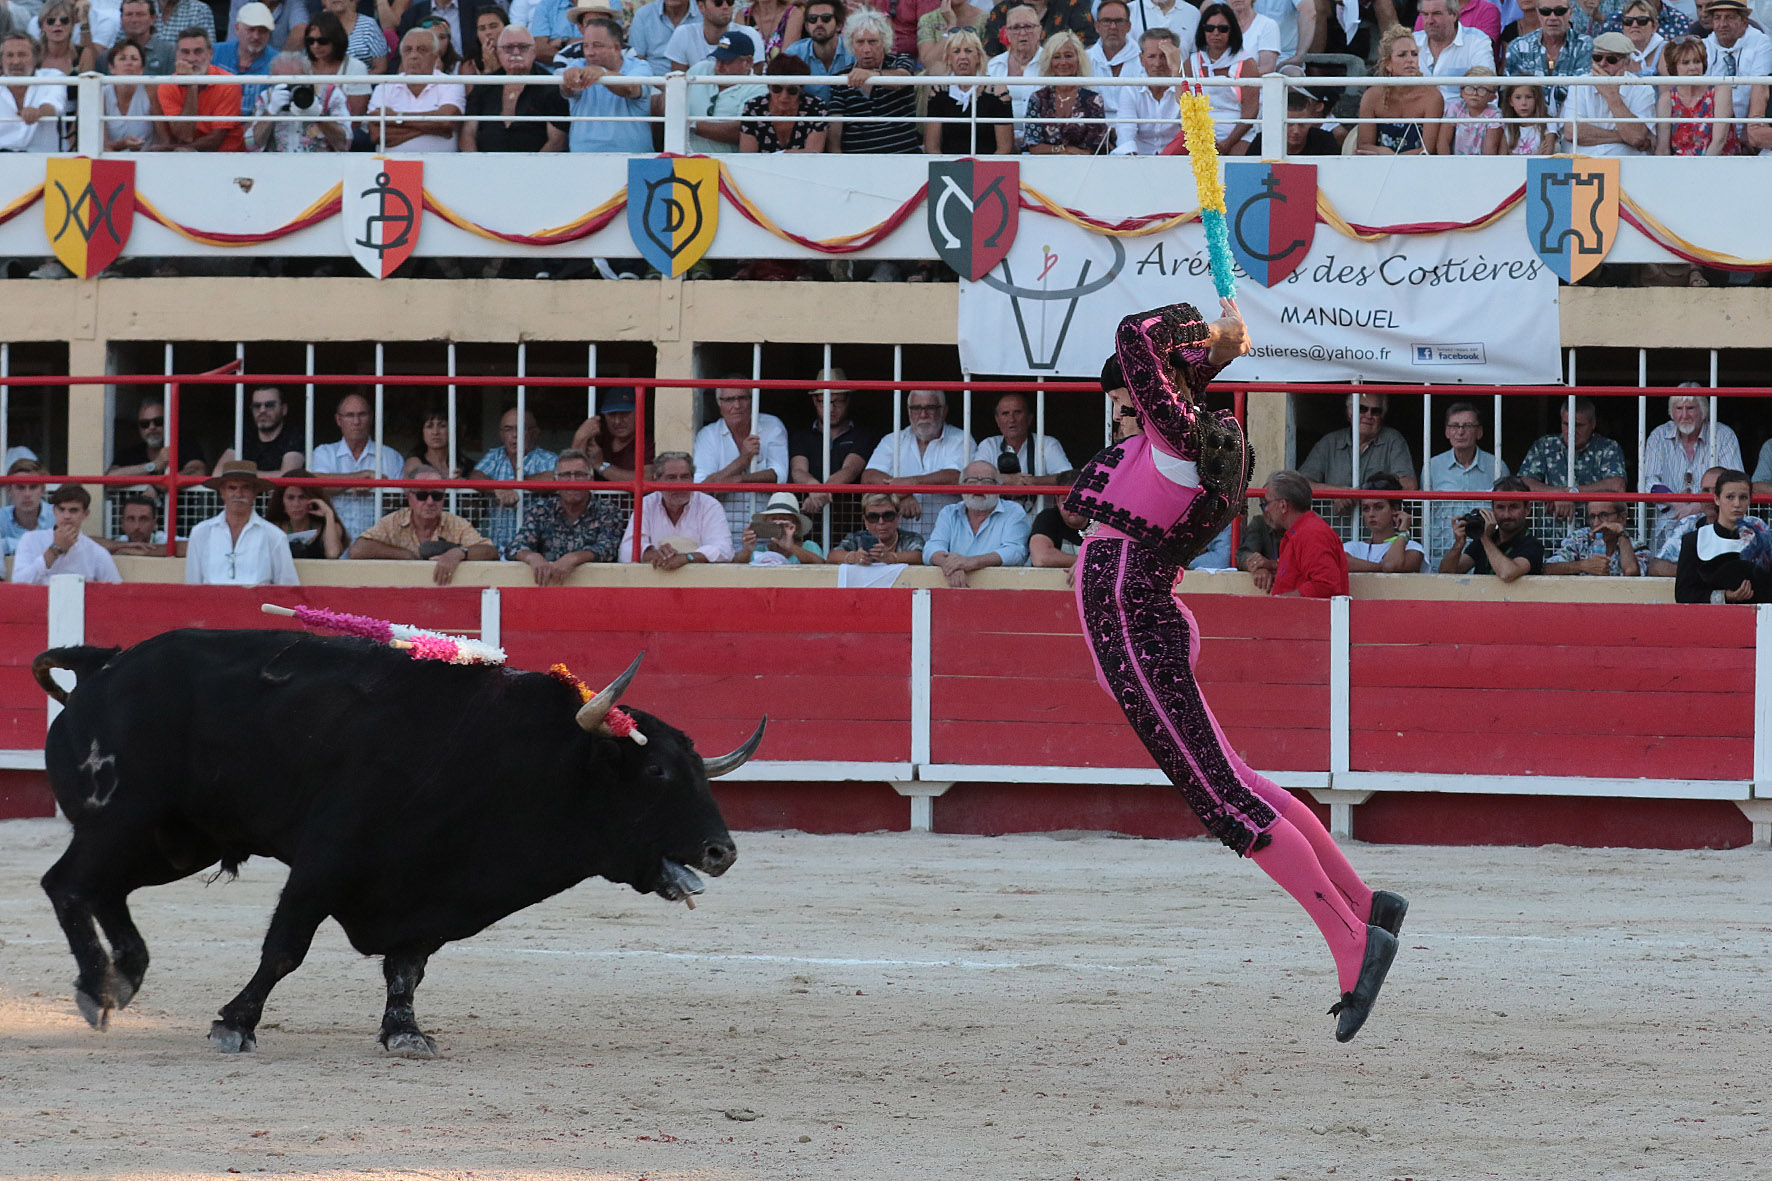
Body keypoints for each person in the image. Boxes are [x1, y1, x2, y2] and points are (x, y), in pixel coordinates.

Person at [1064, 299, 1401, 1043]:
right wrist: (1221, 342)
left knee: (1223, 797)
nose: (1123, 403)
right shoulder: (1190, 440)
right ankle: (1365, 902)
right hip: (1142, 621)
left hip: (1136, 625)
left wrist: (1208, 331)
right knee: (1237, 778)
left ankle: (1353, 942)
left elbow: (1136, 336)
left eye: (1130, 394)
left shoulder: (1182, 441)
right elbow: (1159, 369)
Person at [349, 467, 498, 584]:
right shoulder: (394, 520)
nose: (430, 502)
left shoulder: (455, 523)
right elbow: (357, 550)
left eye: (437, 495)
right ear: (409, 497)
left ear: (444, 497)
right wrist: (405, 556)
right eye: (422, 496)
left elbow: (490, 552)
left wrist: (459, 553)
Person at [1298, 392, 1418, 531]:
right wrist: (1335, 492)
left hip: (1379, 539)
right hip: (1334, 535)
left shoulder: (1393, 440)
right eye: (1362, 409)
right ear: (1350, 412)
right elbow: (1300, 484)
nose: (1368, 415)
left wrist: (1355, 495)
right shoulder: (1329, 442)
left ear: (1382, 416)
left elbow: (1409, 485)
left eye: (1376, 411)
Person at [1641, 391, 1742, 552]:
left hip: (1712, 523)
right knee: (1661, 568)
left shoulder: (1723, 435)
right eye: (1679, 408)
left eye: (1690, 408)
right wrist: (1679, 503)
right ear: (1671, 413)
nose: (1684, 415)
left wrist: (1694, 507)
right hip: (1668, 524)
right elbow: (1648, 481)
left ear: (1704, 412)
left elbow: (1735, 483)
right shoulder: (1659, 435)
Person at [508, 449, 626, 583]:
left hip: (596, 590)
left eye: (579, 474)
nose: (572, 481)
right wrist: (532, 557)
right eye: (565, 475)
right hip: (546, 590)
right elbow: (515, 546)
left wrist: (574, 558)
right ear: (555, 481)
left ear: (591, 480)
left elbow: (608, 549)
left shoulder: (608, 510)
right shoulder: (541, 510)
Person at [861, 389, 974, 525]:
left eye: (930, 408)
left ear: (944, 411)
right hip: (900, 536)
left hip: (949, 533)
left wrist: (913, 483)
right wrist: (903, 494)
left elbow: (959, 477)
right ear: (908, 412)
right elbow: (869, 477)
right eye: (916, 408)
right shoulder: (893, 440)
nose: (923, 414)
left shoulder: (961, 439)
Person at [693, 382, 790, 536]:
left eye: (742, 398)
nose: (737, 405)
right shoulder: (708, 435)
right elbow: (701, 488)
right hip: (721, 529)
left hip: (766, 528)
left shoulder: (772, 426)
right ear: (719, 404)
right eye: (729, 399)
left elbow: (779, 475)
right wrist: (742, 461)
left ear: (752, 400)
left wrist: (738, 480)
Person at [184, 462, 301, 586]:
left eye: (245, 488)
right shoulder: (200, 532)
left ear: (255, 493)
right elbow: (192, 585)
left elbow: (288, 587)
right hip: (211, 603)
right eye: (232, 488)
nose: (238, 494)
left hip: (256, 604)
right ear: (222, 492)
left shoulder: (274, 536)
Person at [309, 392, 405, 542]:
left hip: (377, 541)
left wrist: (380, 487)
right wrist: (358, 478)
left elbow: (400, 502)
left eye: (362, 415)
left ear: (371, 418)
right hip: (332, 540)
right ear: (338, 420)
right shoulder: (324, 452)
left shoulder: (390, 456)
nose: (356, 421)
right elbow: (314, 484)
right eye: (349, 415)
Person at [1424, 401, 1509, 565]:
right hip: (1441, 553)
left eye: (1468, 426)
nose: (1460, 432)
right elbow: (1424, 514)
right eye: (1455, 426)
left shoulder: (1497, 466)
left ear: (1479, 432)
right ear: (1447, 432)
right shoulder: (1432, 466)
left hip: (1484, 554)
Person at [1517, 397, 1627, 523]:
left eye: (1578, 425)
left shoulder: (1608, 447)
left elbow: (1617, 485)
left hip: (1596, 534)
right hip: (1548, 535)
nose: (1571, 431)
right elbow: (1522, 483)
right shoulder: (1545, 445)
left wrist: (1573, 493)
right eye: (1566, 424)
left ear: (1593, 424)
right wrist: (1558, 494)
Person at [789, 372, 876, 529]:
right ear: (815, 401)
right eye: (825, 402)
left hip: (850, 520)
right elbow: (798, 470)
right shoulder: (801, 436)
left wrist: (819, 493)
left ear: (848, 400)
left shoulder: (862, 435)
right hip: (808, 519)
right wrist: (815, 489)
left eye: (837, 402)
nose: (831, 408)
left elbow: (850, 469)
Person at [825, 8, 919, 154]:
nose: (866, 49)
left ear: (884, 42)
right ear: (851, 45)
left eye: (873, 41)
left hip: (902, 158)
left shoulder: (900, 61)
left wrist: (870, 75)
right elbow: (835, 130)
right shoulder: (842, 77)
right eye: (860, 42)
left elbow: (902, 79)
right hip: (857, 163)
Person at [619, 450, 735, 567]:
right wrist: (655, 554)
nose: (679, 484)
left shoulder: (709, 505)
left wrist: (687, 557)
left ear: (693, 479)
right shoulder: (646, 504)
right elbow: (626, 551)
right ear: (657, 480)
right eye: (671, 478)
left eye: (685, 477)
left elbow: (724, 550)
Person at [462, 23, 569, 151]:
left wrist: (529, 169)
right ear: (498, 52)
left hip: (536, 167)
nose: (516, 52)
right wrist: (476, 166)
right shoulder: (484, 85)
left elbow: (557, 141)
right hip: (484, 166)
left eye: (523, 47)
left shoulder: (550, 86)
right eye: (508, 48)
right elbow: (468, 132)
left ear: (534, 51)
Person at [925, 461, 1032, 586]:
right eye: (972, 481)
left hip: (1001, 588)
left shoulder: (1014, 511)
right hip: (954, 589)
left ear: (999, 487)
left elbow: (1015, 552)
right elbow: (932, 548)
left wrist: (971, 562)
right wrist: (950, 566)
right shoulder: (948, 512)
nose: (979, 487)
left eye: (987, 481)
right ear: (961, 486)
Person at [1674, 469, 1772, 603]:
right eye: (1730, 497)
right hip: (1709, 621)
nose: (1737, 504)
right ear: (1717, 499)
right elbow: (1683, 594)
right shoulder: (1694, 541)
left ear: (1750, 500)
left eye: (1743, 497)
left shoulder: (1764, 541)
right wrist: (1725, 596)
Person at [470, 406, 557, 557]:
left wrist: (516, 484)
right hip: (496, 550)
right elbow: (475, 478)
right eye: (508, 430)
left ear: (535, 433)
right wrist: (498, 489)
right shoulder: (495, 455)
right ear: (501, 434)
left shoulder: (548, 459)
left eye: (521, 429)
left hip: (536, 552)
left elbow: (555, 478)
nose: (515, 435)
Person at [562, 11, 653, 153]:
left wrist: (602, 73)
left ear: (617, 48)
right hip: (583, 156)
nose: (590, 52)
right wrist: (568, 78)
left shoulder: (639, 66)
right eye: (586, 46)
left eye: (597, 45)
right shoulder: (577, 64)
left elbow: (631, 89)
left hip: (632, 158)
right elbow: (566, 91)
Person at [1248, 469, 1350, 597]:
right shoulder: (1301, 532)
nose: (1265, 510)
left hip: (1308, 615)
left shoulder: (1311, 533)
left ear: (1283, 505)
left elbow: (1326, 584)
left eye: (1265, 504)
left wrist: (1280, 602)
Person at [367, 27, 465, 150]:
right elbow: (376, 134)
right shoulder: (384, 86)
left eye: (422, 50)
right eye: (408, 50)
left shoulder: (451, 83)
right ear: (402, 55)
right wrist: (436, 129)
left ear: (435, 56)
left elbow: (445, 122)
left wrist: (396, 117)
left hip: (442, 165)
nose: (413, 55)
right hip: (393, 165)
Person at [10, 484, 123, 585]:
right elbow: (18, 583)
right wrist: (54, 550)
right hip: (37, 607)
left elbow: (116, 592)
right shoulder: (31, 540)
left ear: (85, 514)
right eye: (61, 509)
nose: (66, 516)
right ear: (54, 511)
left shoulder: (97, 553)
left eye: (73, 510)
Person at [1438, 474, 1544, 581]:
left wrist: (1484, 538)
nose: (1506, 515)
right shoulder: (1485, 540)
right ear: (1493, 508)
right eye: (1500, 507)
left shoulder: (1533, 545)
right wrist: (1458, 545)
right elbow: (1446, 573)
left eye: (1513, 507)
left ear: (1527, 509)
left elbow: (1507, 573)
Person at [155, 27, 246, 151]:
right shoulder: (167, 86)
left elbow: (216, 140)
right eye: (185, 52)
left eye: (198, 52)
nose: (191, 59)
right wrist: (192, 86)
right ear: (177, 55)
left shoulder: (229, 83)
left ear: (210, 53)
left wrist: (172, 149)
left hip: (227, 158)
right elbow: (185, 135)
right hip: (185, 157)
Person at [922, 28, 1012, 154]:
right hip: (948, 167)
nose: (963, 56)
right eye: (956, 51)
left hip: (989, 167)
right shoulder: (938, 91)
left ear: (979, 57)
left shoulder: (997, 91)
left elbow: (1004, 148)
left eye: (968, 51)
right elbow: (932, 147)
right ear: (949, 58)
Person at [1562, 30, 1653, 153]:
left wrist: (1611, 96)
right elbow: (1571, 132)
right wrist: (1623, 137)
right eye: (1597, 58)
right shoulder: (1579, 84)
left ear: (1626, 63)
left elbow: (1636, 137)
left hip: (1625, 165)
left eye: (1611, 59)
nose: (1602, 64)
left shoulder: (1643, 89)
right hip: (1582, 164)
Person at [1358, 24, 1442, 153]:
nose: (1410, 60)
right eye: (1402, 55)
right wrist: (1383, 152)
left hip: (1419, 168)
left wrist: (1394, 158)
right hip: (1380, 165)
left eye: (1414, 54)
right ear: (1387, 64)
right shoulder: (1371, 96)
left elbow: (1428, 149)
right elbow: (1363, 145)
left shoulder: (1432, 97)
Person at [1187, 4, 1258, 155]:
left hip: (1239, 134)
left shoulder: (1246, 63)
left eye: (1223, 28)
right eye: (1210, 28)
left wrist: (1227, 143)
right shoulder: (1191, 62)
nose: (1216, 33)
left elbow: (1251, 111)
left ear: (1232, 31)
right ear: (1203, 30)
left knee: (1235, 165)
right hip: (1199, 133)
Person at [1022, 31, 1107, 155]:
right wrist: (1063, 150)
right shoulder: (1038, 99)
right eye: (1056, 57)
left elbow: (1096, 147)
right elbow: (1033, 145)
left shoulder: (1093, 99)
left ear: (1078, 59)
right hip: (1044, 166)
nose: (1063, 62)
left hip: (1084, 167)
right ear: (1049, 62)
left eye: (1068, 56)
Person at [246, 51, 351, 152]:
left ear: (308, 77)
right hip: (278, 164)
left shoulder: (331, 94)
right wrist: (270, 112)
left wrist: (319, 116)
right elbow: (251, 146)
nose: (290, 89)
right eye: (281, 83)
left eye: (294, 82)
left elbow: (345, 143)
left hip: (321, 164)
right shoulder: (267, 97)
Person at [686, 28, 767, 153]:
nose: (719, 66)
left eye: (727, 60)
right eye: (718, 59)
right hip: (686, 159)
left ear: (748, 62)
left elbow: (740, 131)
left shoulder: (758, 88)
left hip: (728, 165)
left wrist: (690, 125)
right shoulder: (700, 69)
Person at [1504, 0, 1591, 115]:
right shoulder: (1518, 47)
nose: (1553, 17)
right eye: (1545, 11)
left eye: (1560, 11)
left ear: (1570, 13)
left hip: (1573, 122)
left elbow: (1584, 92)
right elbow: (1511, 94)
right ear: (1538, 13)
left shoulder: (1585, 45)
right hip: (1530, 125)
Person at [1655, 34, 1735, 155]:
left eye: (1697, 61)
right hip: (1679, 168)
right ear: (1674, 67)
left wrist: (1700, 172)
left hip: (1717, 165)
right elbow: (1662, 148)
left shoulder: (1720, 90)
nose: (1693, 67)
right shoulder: (1666, 99)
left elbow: (1719, 141)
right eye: (1685, 63)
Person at [1702, 0, 1768, 137]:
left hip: (1745, 127)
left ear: (1744, 21)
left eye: (1730, 17)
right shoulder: (1703, 46)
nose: (1723, 24)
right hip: (1708, 127)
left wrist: (1749, 129)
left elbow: (1760, 88)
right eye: (1717, 18)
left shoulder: (1761, 42)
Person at [973, 393, 1071, 485]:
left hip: (1037, 504)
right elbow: (974, 477)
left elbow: (1068, 478)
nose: (1012, 419)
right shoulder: (989, 445)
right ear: (997, 420)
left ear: (1030, 418)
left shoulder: (1047, 444)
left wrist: (1033, 481)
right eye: (1005, 414)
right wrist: (1008, 479)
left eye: (1017, 412)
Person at [106, 397, 209, 484]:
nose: (152, 427)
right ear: (139, 428)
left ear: (170, 422)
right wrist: (153, 466)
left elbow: (198, 471)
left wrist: (156, 486)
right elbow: (110, 479)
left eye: (158, 421)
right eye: (145, 424)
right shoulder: (132, 453)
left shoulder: (186, 446)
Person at [1415, 0, 1494, 109]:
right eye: (1425, 14)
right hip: (1416, 119)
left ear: (1454, 15)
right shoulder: (1412, 42)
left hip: (1462, 121)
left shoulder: (1477, 41)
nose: (1429, 20)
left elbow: (1487, 87)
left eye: (1436, 14)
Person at [740, 53, 828, 151]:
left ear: (801, 89)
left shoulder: (816, 107)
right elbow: (748, 155)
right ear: (769, 87)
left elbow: (813, 155)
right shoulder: (753, 108)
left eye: (792, 90)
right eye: (777, 89)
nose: (784, 96)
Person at [1113, 29, 1180, 155]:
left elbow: (1193, 125)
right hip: (1139, 159)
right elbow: (1125, 129)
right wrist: (1132, 159)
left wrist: (1177, 70)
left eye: (1164, 56)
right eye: (1151, 56)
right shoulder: (1131, 88)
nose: (1157, 63)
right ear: (1142, 59)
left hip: (1177, 159)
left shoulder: (1188, 87)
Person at [1648, 464, 1723, 577]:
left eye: (1717, 490)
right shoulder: (1689, 523)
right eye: (1706, 490)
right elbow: (1656, 566)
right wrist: (1700, 574)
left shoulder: (1749, 527)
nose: (1710, 497)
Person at [986, 4, 1044, 146]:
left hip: (1042, 142)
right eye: (1016, 27)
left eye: (1028, 27)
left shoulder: (1051, 63)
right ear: (1007, 32)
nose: (1023, 33)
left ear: (1040, 30)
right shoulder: (993, 66)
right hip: (1000, 142)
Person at [0, 33, 67, 154]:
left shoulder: (53, 76)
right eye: (9, 55)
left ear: (36, 58)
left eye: (22, 55)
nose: (15, 61)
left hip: (47, 159)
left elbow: (56, 103)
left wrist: (39, 112)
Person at [1345, 474, 1426, 573]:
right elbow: (1342, 563)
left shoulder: (1412, 547)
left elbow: (1391, 565)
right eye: (1366, 508)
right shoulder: (1353, 547)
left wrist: (1404, 533)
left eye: (1378, 507)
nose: (1371, 514)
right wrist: (1381, 567)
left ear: (1395, 509)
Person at [570, 387, 652, 483]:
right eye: (611, 414)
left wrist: (601, 465)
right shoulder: (598, 437)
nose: (617, 421)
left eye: (625, 414)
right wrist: (580, 436)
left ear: (639, 413)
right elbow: (571, 472)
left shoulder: (648, 441)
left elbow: (647, 479)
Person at [264, 467, 349, 558]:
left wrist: (328, 514)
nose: (296, 504)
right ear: (281, 501)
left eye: (302, 497)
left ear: (313, 499)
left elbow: (333, 554)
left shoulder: (330, 526)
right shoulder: (273, 528)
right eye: (290, 498)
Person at [302, 11, 373, 119]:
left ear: (336, 40)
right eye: (310, 41)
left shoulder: (356, 67)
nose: (315, 46)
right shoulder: (301, 65)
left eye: (322, 41)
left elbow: (356, 115)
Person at [218, 387, 306, 474]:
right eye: (256, 406)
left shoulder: (294, 435)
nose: (262, 410)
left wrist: (241, 474)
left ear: (284, 409)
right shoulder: (244, 435)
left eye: (269, 405)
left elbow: (287, 477)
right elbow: (217, 473)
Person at [212, 2, 277, 118]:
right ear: (237, 29)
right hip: (214, 123)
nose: (256, 36)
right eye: (251, 30)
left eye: (262, 31)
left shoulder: (278, 62)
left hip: (256, 128)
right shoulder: (214, 52)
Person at [1545, 499, 1642, 576]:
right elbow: (1547, 568)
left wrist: (1621, 534)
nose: (1596, 523)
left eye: (1603, 515)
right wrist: (1583, 566)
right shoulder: (1580, 538)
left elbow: (1631, 572)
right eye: (1592, 516)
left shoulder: (1636, 546)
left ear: (1622, 517)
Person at [782, 0, 853, 102]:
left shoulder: (854, 51)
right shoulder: (794, 54)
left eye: (826, 18)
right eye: (812, 19)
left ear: (839, 25)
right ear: (807, 26)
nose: (819, 23)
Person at [829, 490, 925, 564]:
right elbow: (832, 556)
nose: (881, 522)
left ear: (897, 517)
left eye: (888, 516)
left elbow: (920, 556)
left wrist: (891, 557)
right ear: (865, 520)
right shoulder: (856, 538)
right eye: (873, 517)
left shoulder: (911, 538)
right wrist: (854, 557)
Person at [101, 39, 164, 150]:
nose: (129, 63)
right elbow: (99, 144)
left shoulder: (152, 91)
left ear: (142, 68)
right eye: (122, 58)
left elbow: (164, 139)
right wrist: (123, 144)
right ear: (112, 68)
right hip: (110, 161)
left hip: (147, 159)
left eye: (134, 59)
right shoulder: (102, 94)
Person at [734, 490, 826, 565]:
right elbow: (735, 569)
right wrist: (747, 549)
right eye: (774, 519)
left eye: (783, 519)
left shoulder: (809, 546)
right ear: (765, 523)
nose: (778, 523)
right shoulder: (759, 550)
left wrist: (790, 547)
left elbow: (822, 565)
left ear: (796, 525)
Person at [1086, 1, 1141, 121]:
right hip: (1094, 130)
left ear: (1129, 26)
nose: (1113, 27)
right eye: (1106, 21)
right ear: (1097, 26)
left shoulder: (1144, 60)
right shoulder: (1085, 60)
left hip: (1136, 128)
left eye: (1119, 21)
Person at [667, 0, 751, 68]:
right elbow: (678, 80)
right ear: (701, 7)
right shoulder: (683, 34)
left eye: (730, 2)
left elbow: (755, 81)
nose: (725, 7)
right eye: (718, 2)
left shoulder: (748, 34)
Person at [631, 0, 704, 75]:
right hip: (653, 81)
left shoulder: (704, 12)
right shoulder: (644, 14)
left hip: (697, 79)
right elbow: (636, 59)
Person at [104, 0, 175, 74]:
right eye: (129, 14)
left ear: (153, 19)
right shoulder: (108, 56)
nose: (134, 20)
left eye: (140, 14)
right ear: (121, 19)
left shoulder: (169, 53)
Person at [1445, 65, 1502, 153]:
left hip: (1482, 164)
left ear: (1492, 97)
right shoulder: (1455, 108)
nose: (1475, 93)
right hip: (1454, 163)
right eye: (1469, 88)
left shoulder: (1494, 115)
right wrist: (1447, 164)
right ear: (1461, 92)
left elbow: (1491, 149)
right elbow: (1443, 141)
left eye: (1482, 89)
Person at [918, 0, 988, 71]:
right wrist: (951, 26)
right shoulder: (928, 19)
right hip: (938, 77)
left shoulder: (986, 19)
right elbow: (928, 63)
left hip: (976, 76)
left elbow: (987, 60)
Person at [1, 457, 51, 556]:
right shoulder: (1, 517)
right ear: (9, 490)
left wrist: (8, 543)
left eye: (33, 487)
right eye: (20, 487)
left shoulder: (59, 515)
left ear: (43, 489)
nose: (27, 494)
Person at [320, 0, 387, 70]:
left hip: (364, 79)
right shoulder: (318, 28)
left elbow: (381, 67)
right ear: (323, 1)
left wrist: (358, 80)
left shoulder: (369, 25)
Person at [99, 493, 172, 557]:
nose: (136, 526)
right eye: (131, 519)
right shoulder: (121, 541)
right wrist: (125, 546)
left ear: (154, 523)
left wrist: (150, 551)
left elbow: (183, 548)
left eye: (143, 519)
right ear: (122, 523)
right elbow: (88, 543)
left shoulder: (162, 539)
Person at [405, 406, 468, 479]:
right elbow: (427, 478)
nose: (435, 432)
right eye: (429, 426)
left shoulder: (465, 464)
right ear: (422, 432)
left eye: (442, 426)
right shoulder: (414, 462)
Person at [1498, 80, 1558, 153]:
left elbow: (1546, 157)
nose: (1524, 103)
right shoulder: (1508, 126)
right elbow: (1502, 159)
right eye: (1518, 97)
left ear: (1537, 99)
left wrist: (1513, 156)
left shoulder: (1548, 124)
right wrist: (1537, 156)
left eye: (1529, 97)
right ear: (1511, 101)